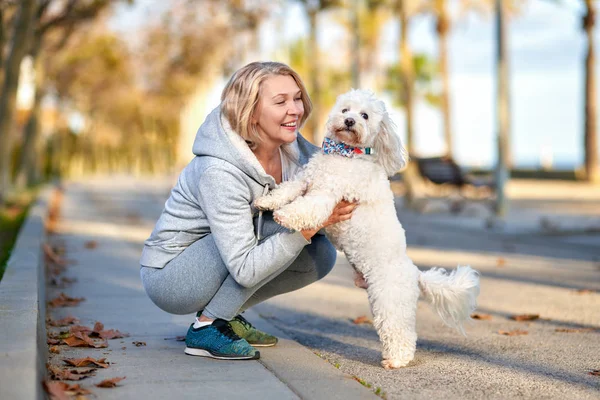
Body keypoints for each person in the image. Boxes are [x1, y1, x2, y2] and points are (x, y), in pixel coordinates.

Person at [139, 61, 356, 361]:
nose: (295, 109)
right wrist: (308, 224)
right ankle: (207, 327)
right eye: (280, 101)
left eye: (296, 98)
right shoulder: (219, 170)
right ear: (250, 111)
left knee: (318, 254)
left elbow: (335, 186)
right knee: (286, 223)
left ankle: (226, 314)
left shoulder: (293, 149)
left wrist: (363, 262)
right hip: (172, 276)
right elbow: (244, 266)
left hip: (224, 255)